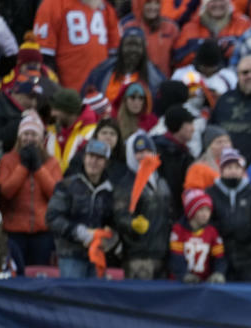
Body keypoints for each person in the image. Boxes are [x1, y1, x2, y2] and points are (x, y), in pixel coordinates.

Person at [0, 110, 62, 266]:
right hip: (14, 230)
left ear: (40, 139)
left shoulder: (51, 162)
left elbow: (56, 193)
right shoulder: (7, 160)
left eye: (34, 135)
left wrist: (38, 168)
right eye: (26, 134)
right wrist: (23, 167)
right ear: (19, 137)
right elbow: (6, 191)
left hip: (42, 231)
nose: (29, 138)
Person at [46, 139, 116, 278]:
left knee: (95, 299)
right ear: (84, 158)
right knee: (71, 297)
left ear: (106, 163)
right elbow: (52, 218)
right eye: (91, 156)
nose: (94, 162)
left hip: (98, 255)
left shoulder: (110, 190)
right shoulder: (67, 185)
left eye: (99, 158)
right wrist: (79, 232)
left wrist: (111, 239)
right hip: (71, 255)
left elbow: (114, 221)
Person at [114, 132, 173, 279]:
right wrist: (132, 224)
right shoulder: (127, 184)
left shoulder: (162, 181)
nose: (143, 156)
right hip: (139, 256)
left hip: (162, 254)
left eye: (147, 151)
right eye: (139, 152)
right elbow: (119, 216)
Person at [206, 147, 251, 282]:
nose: (233, 171)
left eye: (236, 167)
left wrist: (247, 236)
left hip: (250, 257)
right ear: (221, 170)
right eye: (228, 167)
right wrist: (222, 232)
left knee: (250, 295)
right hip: (220, 255)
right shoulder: (211, 193)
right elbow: (206, 221)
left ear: (242, 170)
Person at [33, 0, 122, 93]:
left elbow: (115, 56)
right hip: (68, 95)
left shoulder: (106, 8)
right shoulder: (53, 5)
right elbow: (44, 58)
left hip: (101, 94)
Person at [82, 26, 166, 103]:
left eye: (137, 45)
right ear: (121, 47)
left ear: (143, 50)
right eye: (129, 44)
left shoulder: (156, 78)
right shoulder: (102, 71)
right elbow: (85, 98)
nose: (133, 49)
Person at [170, 188, 227, 283]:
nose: (205, 214)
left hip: (203, 284)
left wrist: (219, 273)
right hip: (179, 283)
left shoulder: (212, 231)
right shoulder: (178, 230)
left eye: (208, 210)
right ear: (191, 211)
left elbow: (219, 257)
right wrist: (184, 275)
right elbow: (176, 256)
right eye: (201, 210)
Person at [172, 0, 251, 67]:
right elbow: (178, 60)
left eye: (222, 0)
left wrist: (231, 50)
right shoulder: (190, 27)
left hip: (233, 73)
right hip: (198, 75)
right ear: (205, 4)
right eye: (213, 1)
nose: (218, 4)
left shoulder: (243, 24)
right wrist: (204, 51)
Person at [0, 74, 42, 152]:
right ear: (18, 94)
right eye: (31, 97)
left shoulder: (28, 110)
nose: (34, 103)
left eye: (36, 98)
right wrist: (21, 121)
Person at [153, 105, 195, 219]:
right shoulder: (159, 151)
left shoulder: (184, 153)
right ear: (178, 125)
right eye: (190, 124)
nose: (193, 128)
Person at [119, 0, 181, 76]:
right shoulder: (128, 26)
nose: (153, 7)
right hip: (136, 82)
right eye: (148, 3)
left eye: (157, 3)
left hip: (164, 80)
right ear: (140, 4)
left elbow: (178, 59)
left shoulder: (170, 28)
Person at [46, 88, 98, 173]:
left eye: (56, 109)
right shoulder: (52, 131)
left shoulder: (90, 134)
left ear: (68, 110)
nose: (52, 113)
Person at [183, 125, 231, 190]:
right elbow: (192, 192)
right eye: (219, 142)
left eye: (227, 141)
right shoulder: (198, 168)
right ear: (208, 146)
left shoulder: (236, 164)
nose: (224, 145)